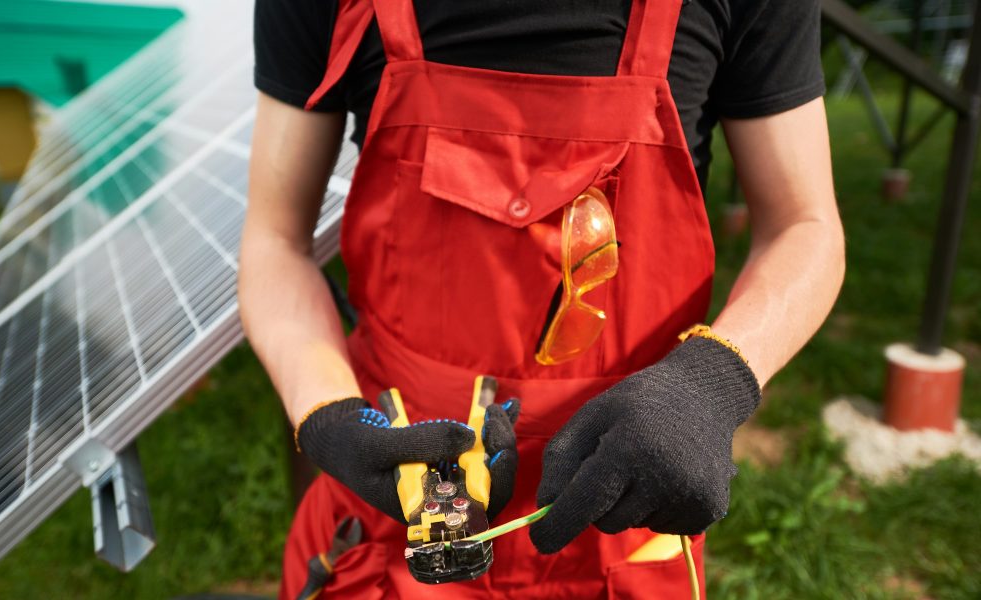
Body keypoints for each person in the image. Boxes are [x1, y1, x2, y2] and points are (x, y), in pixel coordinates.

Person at [239, 0, 845, 598]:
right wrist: (329, 417)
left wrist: (711, 384)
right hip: (390, 511)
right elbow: (275, 242)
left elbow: (805, 227)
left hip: (624, 517)